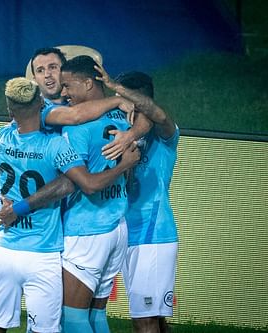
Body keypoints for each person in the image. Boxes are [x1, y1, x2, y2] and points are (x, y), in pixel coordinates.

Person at [0, 77, 140, 333]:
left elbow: (69, 116)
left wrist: (17, 210)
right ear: (41, 103)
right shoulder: (55, 146)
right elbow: (74, 183)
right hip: (43, 254)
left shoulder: (1, 137)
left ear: (10, 110)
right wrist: (124, 165)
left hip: (6, 250)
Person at [96, 66, 179, 333]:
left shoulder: (164, 134)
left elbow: (158, 114)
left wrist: (118, 89)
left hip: (152, 234)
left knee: (145, 321)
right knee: (153, 318)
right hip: (124, 234)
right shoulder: (116, 130)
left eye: (127, 99)